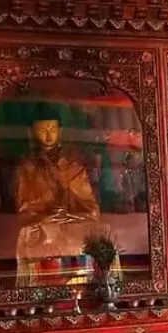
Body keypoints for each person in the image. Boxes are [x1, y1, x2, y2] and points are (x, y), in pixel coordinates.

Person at [11, 103, 103, 286]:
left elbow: (90, 206)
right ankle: (45, 288)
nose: (48, 134)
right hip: (43, 226)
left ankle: (89, 285)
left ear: (59, 131)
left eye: (52, 128)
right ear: (33, 132)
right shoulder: (26, 168)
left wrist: (71, 214)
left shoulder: (73, 165)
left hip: (72, 221)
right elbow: (24, 208)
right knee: (31, 235)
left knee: (97, 233)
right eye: (43, 129)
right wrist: (45, 216)